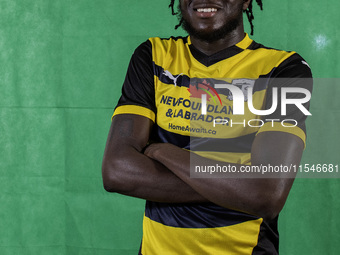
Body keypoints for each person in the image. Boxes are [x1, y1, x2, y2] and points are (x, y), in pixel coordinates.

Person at [102, 0, 313, 254]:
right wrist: (237, 185)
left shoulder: (284, 70)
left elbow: (265, 195)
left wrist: (162, 152)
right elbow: (116, 172)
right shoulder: (153, 56)